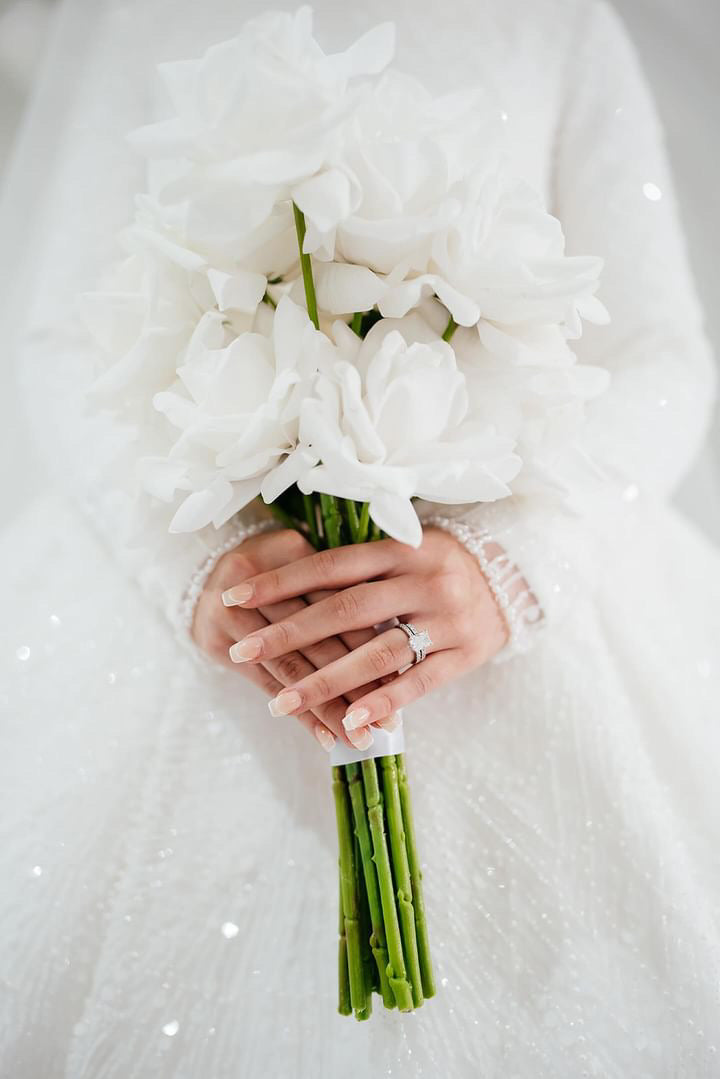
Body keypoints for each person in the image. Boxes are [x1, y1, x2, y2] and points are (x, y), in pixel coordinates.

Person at [1, 0, 719, 1075]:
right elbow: (54, 332)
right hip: (216, 610)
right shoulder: (124, 16)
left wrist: (513, 571)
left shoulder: (558, 20)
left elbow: (663, 352)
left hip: (498, 617)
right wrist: (194, 570)